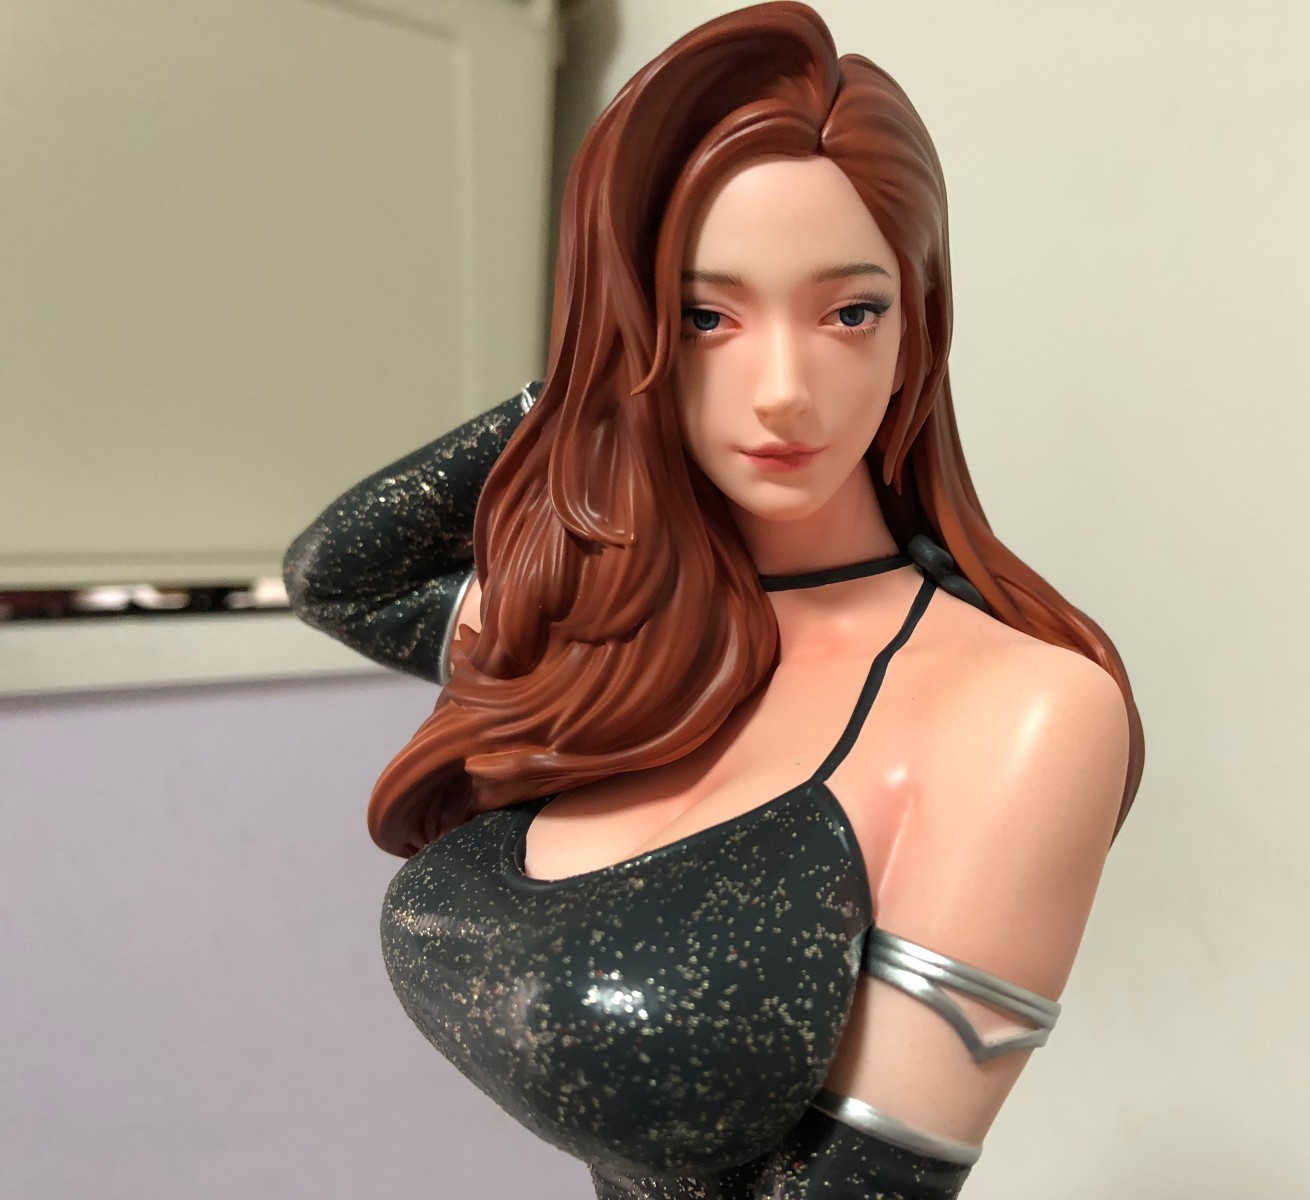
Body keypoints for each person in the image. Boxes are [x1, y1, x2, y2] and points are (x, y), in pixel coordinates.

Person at [285, 4, 1144, 1196]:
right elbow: (337, 575)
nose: (783, 389)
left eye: (850, 312)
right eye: (705, 316)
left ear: (918, 327)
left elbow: (866, 1184)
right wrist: (584, 380)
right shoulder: (603, 624)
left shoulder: (1022, 712)